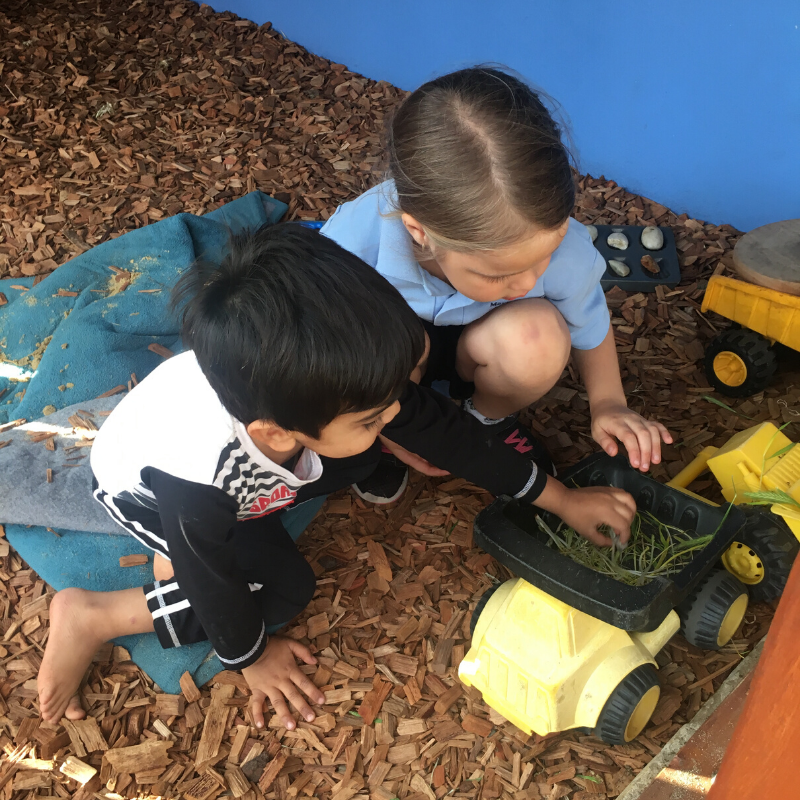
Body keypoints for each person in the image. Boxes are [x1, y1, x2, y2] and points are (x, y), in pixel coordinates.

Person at [37, 224, 635, 728]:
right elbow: (211, 575)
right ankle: (96, 614)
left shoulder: (334, 382)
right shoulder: (197, 478)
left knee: (375, 444)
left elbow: (450, 435)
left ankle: (345, 457)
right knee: (277, 589)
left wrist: (560, 499)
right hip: (158, 498)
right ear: (277, 433)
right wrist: (251, 658)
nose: (394, 414)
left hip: (271, 459)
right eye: (375, 414)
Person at [321, 66, 672, 506]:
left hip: (485, 348)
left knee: (537, 336)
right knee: (370, 346)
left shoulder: (561, 250)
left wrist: (608, 403)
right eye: (497, 274)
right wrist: (394, 431)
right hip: (389, 356)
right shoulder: (351, 243)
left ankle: (484, 422)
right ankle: (386, 430)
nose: (528, 281)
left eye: (545, 254)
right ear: (419, 231)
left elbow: (589, 320)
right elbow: (326, 347)